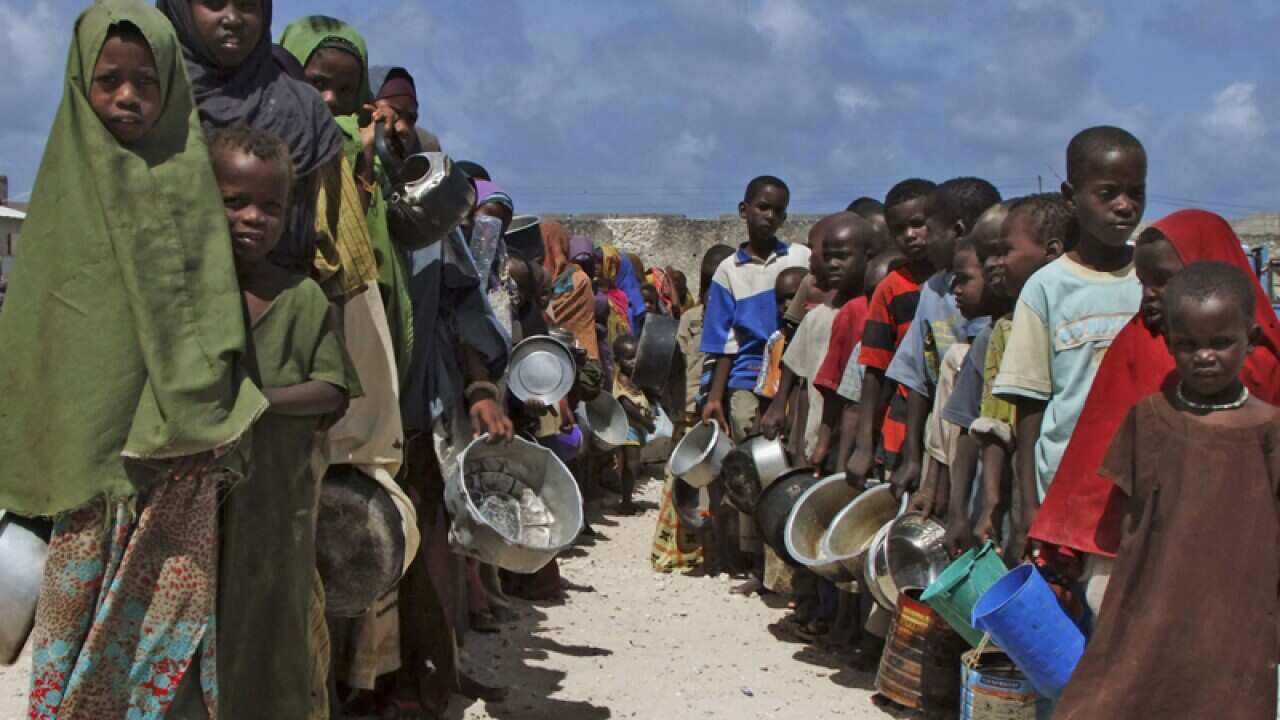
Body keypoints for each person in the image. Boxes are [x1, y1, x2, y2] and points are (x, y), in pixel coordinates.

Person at [6, 7, 268, 716]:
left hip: (175, 472)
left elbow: (210, 313)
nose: (128, 98)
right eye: (108, 80)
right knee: (78, 649)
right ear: (77, 83)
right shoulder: (62, 203)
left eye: (147, 82)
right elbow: (40, 342)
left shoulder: (191, 188)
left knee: (167, 654)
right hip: (86, 482)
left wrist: (188, 412)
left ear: (172, 89)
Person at [1053, 261, 1280, 719]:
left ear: (1250, 340)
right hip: (1156, 593)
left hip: (1239, 603)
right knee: (1127, 692)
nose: (1205, 356)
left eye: (1221, 343)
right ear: (1169, 344)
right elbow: (1125, 512)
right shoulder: (1150, 419)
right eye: (1188, 345)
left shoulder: (1269, 429)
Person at [1029, 209, 1280, 610]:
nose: (1150, 295)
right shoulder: (1137, 341)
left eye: (1164, 281)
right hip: (1129, 549)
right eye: (1144, 282)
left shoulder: (1259, 360)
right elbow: (1097, 455)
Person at [210, 126, 356, 720]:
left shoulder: (302, 299)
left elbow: (334, 388)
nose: (254, 218)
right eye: (235, 201)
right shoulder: (192, 294)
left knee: (274, 633)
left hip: (278, 504)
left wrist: (258, 401)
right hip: (201, 505)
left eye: (271, 207)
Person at [995, 127, 1146, 561]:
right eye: (1108, 193)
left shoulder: (1153, 279)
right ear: (1070, 196)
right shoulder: (1047, 288)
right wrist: (1029, 507)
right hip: (1068, 488)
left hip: (1144, 489)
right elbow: (1030, 407)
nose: (1125, 206)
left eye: (1136, 192)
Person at [157, 0, 365, 292]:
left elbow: (340, 259)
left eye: (247, 5)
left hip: (273, 318)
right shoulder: (146, 98)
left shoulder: (305, 112)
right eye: (214, 3)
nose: (232, 18)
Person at [884, 178, 1000, 506]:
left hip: (980, 442)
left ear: (958, 230)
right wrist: (913, 457)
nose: (919, 239)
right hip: (939, 441)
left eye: (928, 230)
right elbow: (918, 380)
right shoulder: (934, 289)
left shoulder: (988, 294)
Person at [700, 175, 811, 441]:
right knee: (745, 426)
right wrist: (715, 396)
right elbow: (725, 342)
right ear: (743, 210)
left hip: (794, 368)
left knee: (793, 436)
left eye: (778, 211)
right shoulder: (728, 271)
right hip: (748, 371)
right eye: (763, 207)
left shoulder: (800, 257)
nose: (770, 216)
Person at [846, 178, 937, 488]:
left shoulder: (961, 284)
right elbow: (875, 369)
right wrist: (864, 445)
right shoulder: (891, 288)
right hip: (901, 433)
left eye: (917, 224)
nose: (909, 236)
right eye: (899, 230)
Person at [938, 204, 1013, 554]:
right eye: (986, 257)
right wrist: (958, 514)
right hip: (993, 507)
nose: (994, 266)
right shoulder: (990, 337)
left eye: (1003, 252)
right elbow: (969, 430)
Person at [613, 335, 655, 515]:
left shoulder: (634, 378)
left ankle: (627, 500)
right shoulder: (620, 381)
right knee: (631, 466)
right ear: (617, 361)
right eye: (628, 358)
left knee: (633, 465)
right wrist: (647, 423)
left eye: (636, 357)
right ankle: (626, 503)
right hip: (629, 428)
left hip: (637, 428)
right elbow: (627, 406)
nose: (633, 362)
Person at [755, 266, 807, 401]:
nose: (786, 304)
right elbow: (766, 393)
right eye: (780, 300)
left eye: (792, 297)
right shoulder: (776, 340)